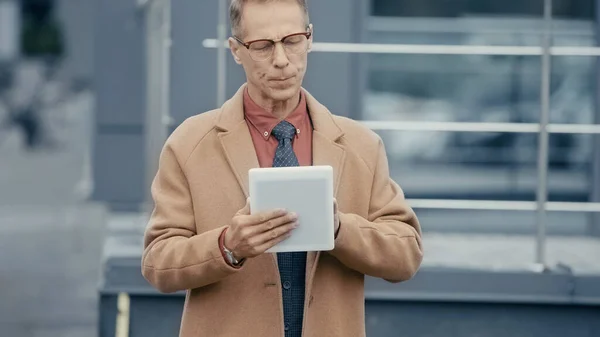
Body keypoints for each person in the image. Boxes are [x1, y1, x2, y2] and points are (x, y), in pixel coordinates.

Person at [141, 0, 423, 336]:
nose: (281, 60)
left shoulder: (362, 145)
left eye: (291, 41)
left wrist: (339, 229)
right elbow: (157, 262)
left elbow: (406, 254)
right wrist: (228, 246)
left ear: (310, 38)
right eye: (262, 46)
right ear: (235, 50)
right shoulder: (189, 144)